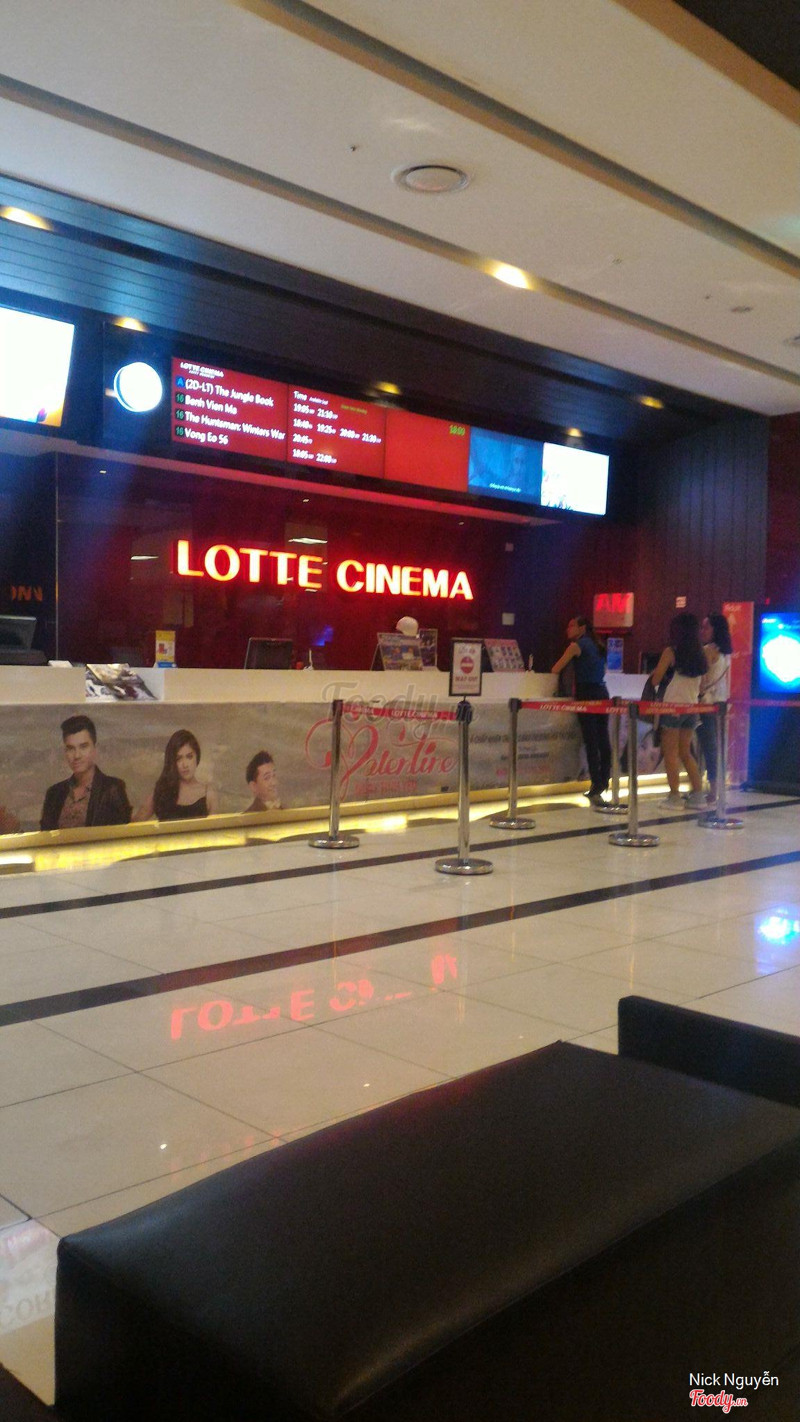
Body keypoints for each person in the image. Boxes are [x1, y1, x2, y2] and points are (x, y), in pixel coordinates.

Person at [649, 612, 707, 809]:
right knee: (686, 752)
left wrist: (657, 674)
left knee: (670, 754)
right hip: (691, 709)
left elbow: (655, 680)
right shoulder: (700, 654)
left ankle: (674, 796)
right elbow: (702, 687)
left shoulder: (671, 652)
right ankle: (698, 795)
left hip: (672, 707)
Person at [551, 615, 611, 805]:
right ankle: (604, 780)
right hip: (602, 693)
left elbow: (556, 668)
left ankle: (596, 784)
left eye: (571, 625)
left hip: (586, 694)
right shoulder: (598, 645)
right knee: (603, 739)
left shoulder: (576, 646)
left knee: (591, 741)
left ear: (582, 628)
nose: (568, 629)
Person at [40, 714, 131, 830]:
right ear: (65, 752)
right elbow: (45, 837)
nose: (77, 755)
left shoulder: (112, 789)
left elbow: (123, 835)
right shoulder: (54, 794)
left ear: (94, 749)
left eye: (83, 747)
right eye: (71, 748)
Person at [136, 729, 218, 822]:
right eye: (178, 759)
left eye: (189, 757)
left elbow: (215, 830)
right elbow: (135, 824)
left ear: (197, 757)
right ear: (172, 762)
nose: (185, 765)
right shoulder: (162, 791)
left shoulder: (208, 794)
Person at [698, 612, 732, 803]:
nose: (702, 631)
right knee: (716, 746)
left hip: (706, 704)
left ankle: (712, 789)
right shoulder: (725, 653)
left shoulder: (707, 651)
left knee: (708, 746)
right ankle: (716, 787)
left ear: (715, 629)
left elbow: (701, 681)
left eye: (706, 627)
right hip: (721, 702)